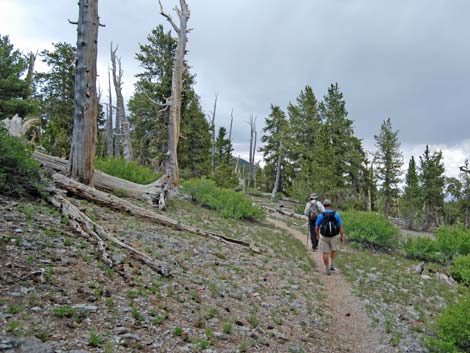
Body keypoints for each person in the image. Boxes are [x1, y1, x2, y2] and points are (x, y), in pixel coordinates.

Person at [315, 199, 345, 275]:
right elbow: (341, 227)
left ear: (324, 206)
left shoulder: (321, 215)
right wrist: (342, 236)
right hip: (334, 236)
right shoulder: (336, 214)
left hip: (324, 236)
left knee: (325, 253)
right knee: (333, 250)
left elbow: (316, 227)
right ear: (330, 205)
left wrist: (317, 235)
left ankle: (326, 269)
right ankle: (332, 264)